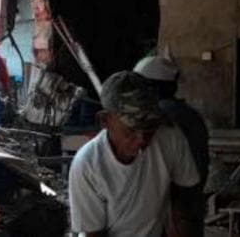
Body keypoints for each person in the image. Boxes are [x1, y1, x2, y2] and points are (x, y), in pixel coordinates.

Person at [68, 71, 200, 237]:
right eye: (131, 130)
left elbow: (186, 200)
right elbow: (93, 233)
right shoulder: (87, 165)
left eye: (149, 128)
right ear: (105, 120)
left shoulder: (169, 137)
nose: (141, 140)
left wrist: (180, 222)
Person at [134, 55, 209, 236]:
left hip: (170, 208)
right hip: (190, 201)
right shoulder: (192, 116)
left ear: (152, 86)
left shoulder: (160, 118)